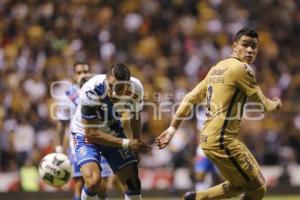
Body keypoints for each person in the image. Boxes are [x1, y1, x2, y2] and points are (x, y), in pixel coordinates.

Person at [156, 28, 282, 200]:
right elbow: (264, 105)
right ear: (235, 46)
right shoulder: (242, 69)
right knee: (256, 185)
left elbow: (189, 98)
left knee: (256, 188)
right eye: (245, 45)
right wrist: (277, 103)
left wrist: (172, 129)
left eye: (254, 46)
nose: (250, 50)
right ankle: (199, 197)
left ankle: (196, 197)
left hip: (209, 140)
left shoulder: (217, 69)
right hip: (223, 141)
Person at [71, 63, 152, 200]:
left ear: (128, 84)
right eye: (111, 86)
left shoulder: (136, 88)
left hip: (113, 130)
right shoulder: (91, 89)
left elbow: (135, 114)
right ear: (107, 78)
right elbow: (92, 134)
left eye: (119, 88)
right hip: (85, 134)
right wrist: (128, 143)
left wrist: (136, 143)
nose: (113, 92)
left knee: (133, 183)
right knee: (93, 181)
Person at [55, 62, 114, 200]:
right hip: (77, 143)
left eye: (85, 71)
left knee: (102, 186)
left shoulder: (99, 90)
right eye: (79, 72)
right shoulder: (67, 96)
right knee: (80, 183)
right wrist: (59, 148)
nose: (83, 75)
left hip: (100, 142)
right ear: (74, 76)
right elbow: (61, 124)